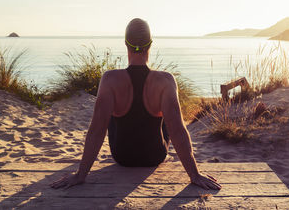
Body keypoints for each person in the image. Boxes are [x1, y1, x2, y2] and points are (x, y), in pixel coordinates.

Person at [50, 18, 221, 190]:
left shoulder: (110, 79)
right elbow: (177, 130)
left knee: (107, 115)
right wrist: (194, 174)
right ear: (151, 44)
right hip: (155, 156)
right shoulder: (165, 80)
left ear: (126, 44)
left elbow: (97, 130)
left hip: (123, 157)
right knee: (169, 118)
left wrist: (81, 174)